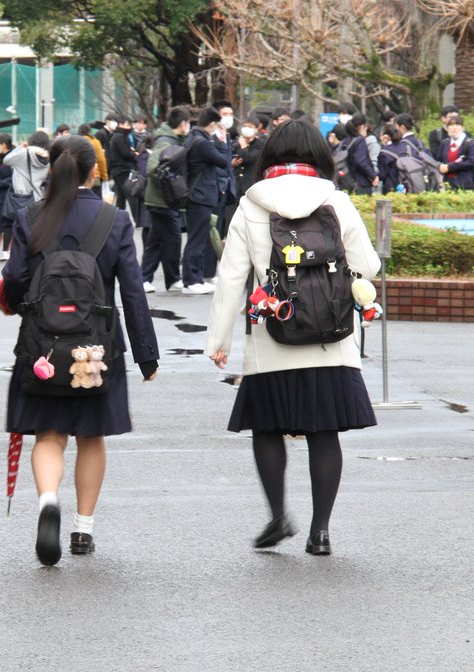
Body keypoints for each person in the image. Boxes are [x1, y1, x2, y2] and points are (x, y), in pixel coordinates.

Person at [205, 119, 380, 556]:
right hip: (331, 335)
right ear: (318, 155)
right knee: (324, 432)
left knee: (266, 427)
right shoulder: (336, 201)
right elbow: (369, 266)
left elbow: (231, 278)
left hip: (271, 334)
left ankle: (279, 514)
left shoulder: (251, 204)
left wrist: (219, 341)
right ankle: (320, 531)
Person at [1, 135, 159, 566]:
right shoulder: (114, 219)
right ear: (94, 171)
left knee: (49, 433)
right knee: (91, 437)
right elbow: (132, 290)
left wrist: (18, 303)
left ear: (51, 169)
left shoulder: (30, 216)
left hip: (42, 349)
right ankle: (83, 530)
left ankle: (48, 500)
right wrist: (147, 354)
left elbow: (15, 279)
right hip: (97, 350)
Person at [140, 106, 192, 294]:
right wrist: (172, 178)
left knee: (156, 241)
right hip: (162, 200)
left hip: (160, 200)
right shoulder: (165, 142)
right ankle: (171, 279)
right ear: (182, 124)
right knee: (172, 240)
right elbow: (152, 168)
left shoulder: (169, 138)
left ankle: (145, 278)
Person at [181, 106, 231, 295]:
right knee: (197, 239)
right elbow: (223, 161)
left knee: (196, 238)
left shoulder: (193, 137)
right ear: (212, 124)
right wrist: (223, 140)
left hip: (196, 195)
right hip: (200, 195)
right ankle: (192, 280)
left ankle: (194, 278)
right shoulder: (202, 143)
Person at [108, 115, 140, 221]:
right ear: (121, 124)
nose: (129, 127)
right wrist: (135, 155)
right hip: (123, 170)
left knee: (121, 197)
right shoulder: (120, 137)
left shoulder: (116, 136)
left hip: (117, 170)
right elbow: (125, 153)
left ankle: (117, 219)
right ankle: (137, 219)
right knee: (131, 195)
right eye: (127, 124)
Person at [335, 114, 377, 195]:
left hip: (346, 182)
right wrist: (373, 176)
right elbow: (361, 161)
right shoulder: (360, 141)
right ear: (362, 127)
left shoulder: (344, 141)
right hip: (360, 184)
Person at [437, 114, 474, 191]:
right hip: (447, 184)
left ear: (463, 128)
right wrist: (440, 166)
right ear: (447, 128)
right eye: (451, 125)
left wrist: (449, 167)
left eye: (457, 124)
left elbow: (472, 161)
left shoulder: (471, 143)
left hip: (465, 184)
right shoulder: (444, 143)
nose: (454, 127)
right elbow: (439, 159)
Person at [77, 123, 109, 196]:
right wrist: (105, 177)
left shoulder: (75, 142)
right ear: (89, 132)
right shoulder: (95, 142)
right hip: (93, 177)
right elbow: (101, 160)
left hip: (77, 177)